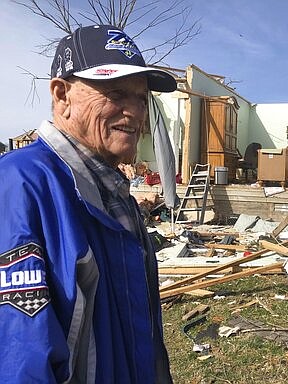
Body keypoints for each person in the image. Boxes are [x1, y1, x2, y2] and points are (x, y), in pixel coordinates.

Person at [0, 24, 177, 383]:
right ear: (61, 94)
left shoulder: (113, 189)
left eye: (142, 98)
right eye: (115, 93)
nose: (135, 111)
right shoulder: (22, 185)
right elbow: (20, 356)